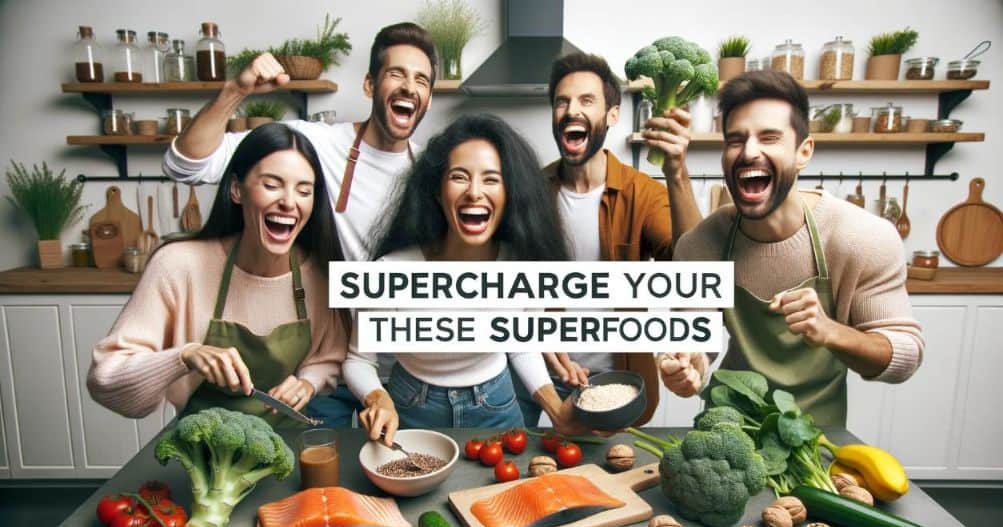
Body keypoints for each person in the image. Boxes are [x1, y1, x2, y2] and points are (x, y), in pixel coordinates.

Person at [162, 23, 437, 427]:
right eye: (396, 73)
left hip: (413, 372)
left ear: (428, 97)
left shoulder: (435, 169)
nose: (409, 87)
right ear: (369, 84)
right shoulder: (316, 144)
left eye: (421, 80)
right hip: (333, 367)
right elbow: (187, 165)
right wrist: (235, 91)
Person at [661, 70, 924, 425]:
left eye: (769, 138)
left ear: (804, 152)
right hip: (729, 429)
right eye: (735, 141)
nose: (749, 152)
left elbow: (905, 357)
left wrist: (831, 331)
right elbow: (695, 340)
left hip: (817, 441)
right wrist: (689, 364)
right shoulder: (701, 245)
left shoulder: (862, 238)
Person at [344, 114, 589, 445]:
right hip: (411, 407)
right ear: (436, 191)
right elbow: (358, 361)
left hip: (497, 406)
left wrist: (556, 409)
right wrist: (378, 399)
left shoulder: (521, 267)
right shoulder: (391, 270)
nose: (475, 193)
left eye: (491, 180)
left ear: (510, 194)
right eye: (459, 177)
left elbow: (521, 343)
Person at [89, 123, 347, 428]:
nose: (290, 202)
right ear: (236, 190)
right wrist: (185, 356)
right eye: (272, 184)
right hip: (201, 450)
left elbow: (329, 357)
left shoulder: (319, 274)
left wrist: (308, 382)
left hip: (290, 446)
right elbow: (106, 379)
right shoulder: (178, 265)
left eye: (304, 191)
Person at [515, 52, 703, 427]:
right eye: (562, 102)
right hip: (535, 376)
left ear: (612, 116)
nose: (572, 110)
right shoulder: (529, 192)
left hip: (615, 384)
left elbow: (692, 266)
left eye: (587, 101)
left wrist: (677, 173)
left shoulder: (642, 193)